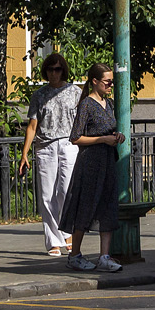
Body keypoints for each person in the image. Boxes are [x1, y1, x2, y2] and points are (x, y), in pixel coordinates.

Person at [59, 63, 124, 273]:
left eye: (112, 81)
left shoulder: (109, 103)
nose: (110, 85)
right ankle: (75, 254)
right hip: (90, 163)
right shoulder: (87, 104)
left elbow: (109, 129)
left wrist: (116, 136)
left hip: (107, 161)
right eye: (107, 81)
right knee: (85, 206)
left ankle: (104, 256)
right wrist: (102, 139)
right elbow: (76, 137)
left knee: (107, 206)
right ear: (94, 81)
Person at [19, 52, 81, 257]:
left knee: (65, 190)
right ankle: (53, 240)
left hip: (69, 143)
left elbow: (82, 121)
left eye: (58, 69)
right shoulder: (39, 95)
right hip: (45, 146)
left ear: (64, 70)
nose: (54, 73)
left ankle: (67, 234)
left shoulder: (75, 92)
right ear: (45, 71)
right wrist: (24, 153)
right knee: (47, 195)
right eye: (50, 69)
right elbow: (32, 125)